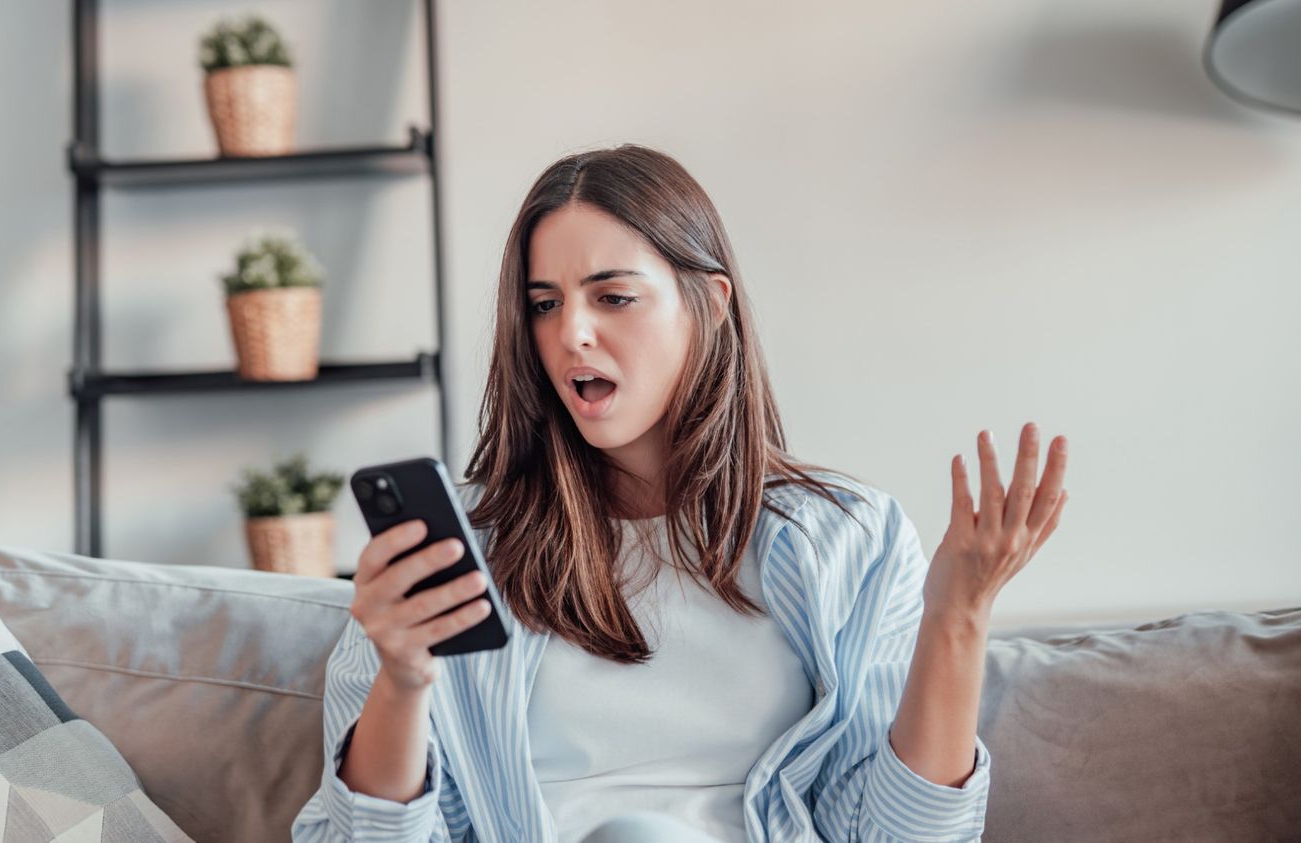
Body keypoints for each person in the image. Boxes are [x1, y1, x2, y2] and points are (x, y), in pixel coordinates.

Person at [291, 144, 1070, 843]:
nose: (572, 335)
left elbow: (903, 839)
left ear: (711, 304)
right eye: (544, 303)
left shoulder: (848, 539)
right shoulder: (462, 556)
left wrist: (959, 614)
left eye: (613, 296)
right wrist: (402, 680)